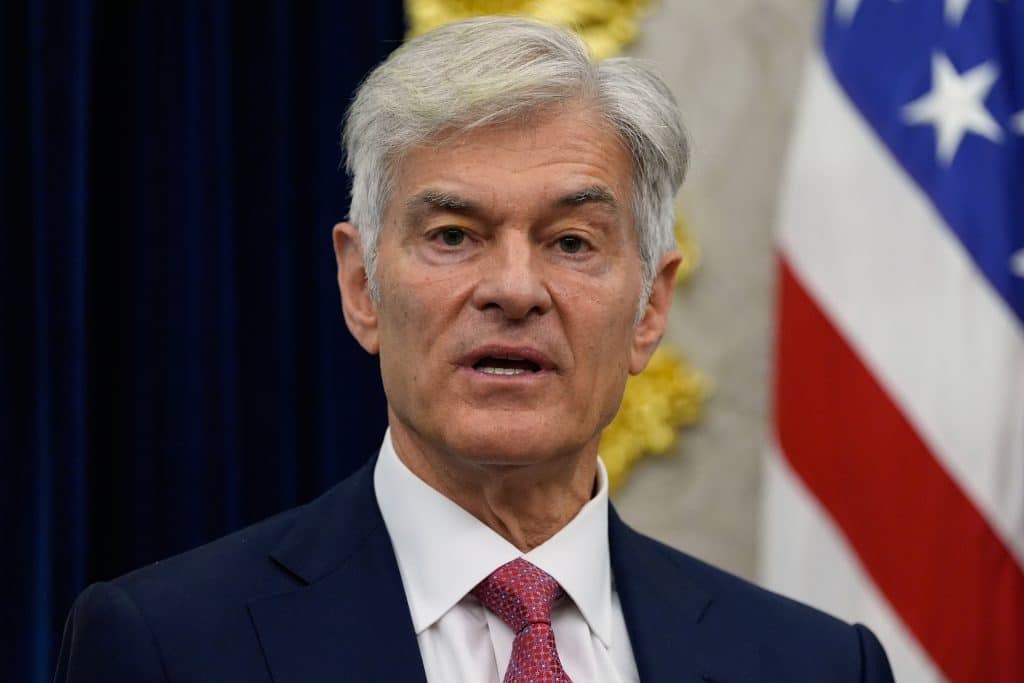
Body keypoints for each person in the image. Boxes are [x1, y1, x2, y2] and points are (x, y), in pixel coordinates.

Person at [55, 16, 894, 682]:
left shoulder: (818, 665)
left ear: (650, 308)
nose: (515, 289)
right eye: (454, 235)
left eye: (572, 242)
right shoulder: (169, 645)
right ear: (361, 286)